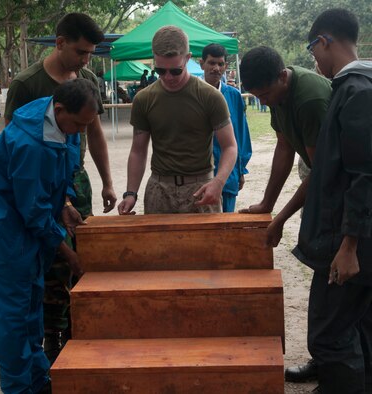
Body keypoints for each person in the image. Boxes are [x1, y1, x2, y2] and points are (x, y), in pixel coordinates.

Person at [4, 12, 117, 364]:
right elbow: (14, 144)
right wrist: (55, 197)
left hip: (76, 177)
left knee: (86, 256)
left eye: (90, 55)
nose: (85, 61)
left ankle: (81, 330)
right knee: (54, 263)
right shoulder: (28, 84)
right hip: (41, 181)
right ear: (60, 43)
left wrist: (107, 181)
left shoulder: (86, 80)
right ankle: (53, 339)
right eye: (81, 52)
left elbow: (94, 132)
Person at [0, 79, 98, 394]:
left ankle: (37, 381)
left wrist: (66, 203)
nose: (81, 132)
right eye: (79, 124)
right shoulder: (29, 143)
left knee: (33, 311)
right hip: (7, 238)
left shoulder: (63, 123)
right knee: (13, 321)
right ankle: (19, 388)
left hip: (31, 236)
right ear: (59, 110)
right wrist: (69, 254)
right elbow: (33, 212)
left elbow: (64, 173)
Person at [239, 46, 332, 383]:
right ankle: (325, 361)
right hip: (322, 181)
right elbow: (283, 147)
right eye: (256, 96)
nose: (262, 102)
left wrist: (280, 219)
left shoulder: (309, 100)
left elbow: (319, 173)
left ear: (282, 77)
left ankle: (338, 369)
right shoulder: (279, 96)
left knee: (334, 281)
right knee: (324, 279)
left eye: (264, 95)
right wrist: (267, 204)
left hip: (340, 191)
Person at [293, 9, 372, 394]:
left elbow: (364, 175)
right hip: (350, 236)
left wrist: (349, 245)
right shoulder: (353, 86)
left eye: (313, 51)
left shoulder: (358, 90)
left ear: (323, 41)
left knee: (328, 336)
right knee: (359, 325)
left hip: (350, 243)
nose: (315, 61)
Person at [117, 25, 237, 215]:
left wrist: (218, 182)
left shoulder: (210, 96)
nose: (167, 77)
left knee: (207, 245)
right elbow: (138, 151)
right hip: (160, 189)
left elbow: (230, 146)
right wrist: (131, 193)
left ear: (188, 59)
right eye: (160, 70)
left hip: (200, 188)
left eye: (175, 70)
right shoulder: (144, 99)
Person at [200, 43, 252, 212]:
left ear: (226, 66)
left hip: (228, 175)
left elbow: (241, 135)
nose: (216, 68)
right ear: (202, 64)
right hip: (200, 176)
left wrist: (241, 169)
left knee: (225, 224)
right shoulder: (192, 94)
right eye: (212, 63)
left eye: (220, 64)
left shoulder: (234, 95)